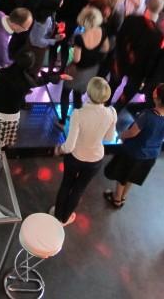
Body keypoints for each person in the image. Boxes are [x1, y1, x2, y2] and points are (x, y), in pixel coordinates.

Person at [50, 77, 117, 226]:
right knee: (79, 189)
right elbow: (109, 137)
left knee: (66, 184)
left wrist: (59, 149)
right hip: (95, 160)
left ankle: (57, 216)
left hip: (75, 158)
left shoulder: (78, 114)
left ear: (89, 92)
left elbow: (69, 146)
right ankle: (65, 218)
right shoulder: (112, 113)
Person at [104, 83, 164, 207]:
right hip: (152, 154)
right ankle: (123, 197)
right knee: (132, 177)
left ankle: (116, 199)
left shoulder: (148, 115)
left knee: (122, 175)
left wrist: (121, 135)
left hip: (134, 152)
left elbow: (133, 132)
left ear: (157, 98)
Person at [0, 50, 70, 152]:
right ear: (30, 65)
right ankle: (1, 150)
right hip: (12, 115)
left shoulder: (3, 73)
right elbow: (43, 80)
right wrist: (60, 76)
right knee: (4, 137)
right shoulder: (28, 80)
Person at [57, 6, 109, 127]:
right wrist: (95, 59)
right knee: (78, 94)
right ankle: (78, 121)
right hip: (91, 70)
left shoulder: (80, 38)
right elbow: (105, 49)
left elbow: (77, 59)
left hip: (77, 71)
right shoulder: (103, 31)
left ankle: (62, 121)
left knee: (65, 93)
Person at [110, 14, 162, 113]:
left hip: (121, 62)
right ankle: (114, 112)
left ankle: (104, 105)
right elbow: (151, 60)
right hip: (138, 72)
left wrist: (116, 57)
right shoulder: (158, 35)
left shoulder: (131, 19)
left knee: (112, 86)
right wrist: (145, 78)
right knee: (126, 94)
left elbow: (119, 39)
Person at [54, 0, 96, 72]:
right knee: (65, 45)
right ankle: (61, 69)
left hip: (64, 18)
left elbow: (63, 3)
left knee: (57, 43)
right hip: (76, 21)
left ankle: (53, 66)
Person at [28, 0, 65, 76]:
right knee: (32, 71)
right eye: (61, 1)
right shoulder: (45, 20)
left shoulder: (44, 11)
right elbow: (37, 41)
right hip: (36, 49)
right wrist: (54, 40)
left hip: (33, 42)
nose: (62, 2)